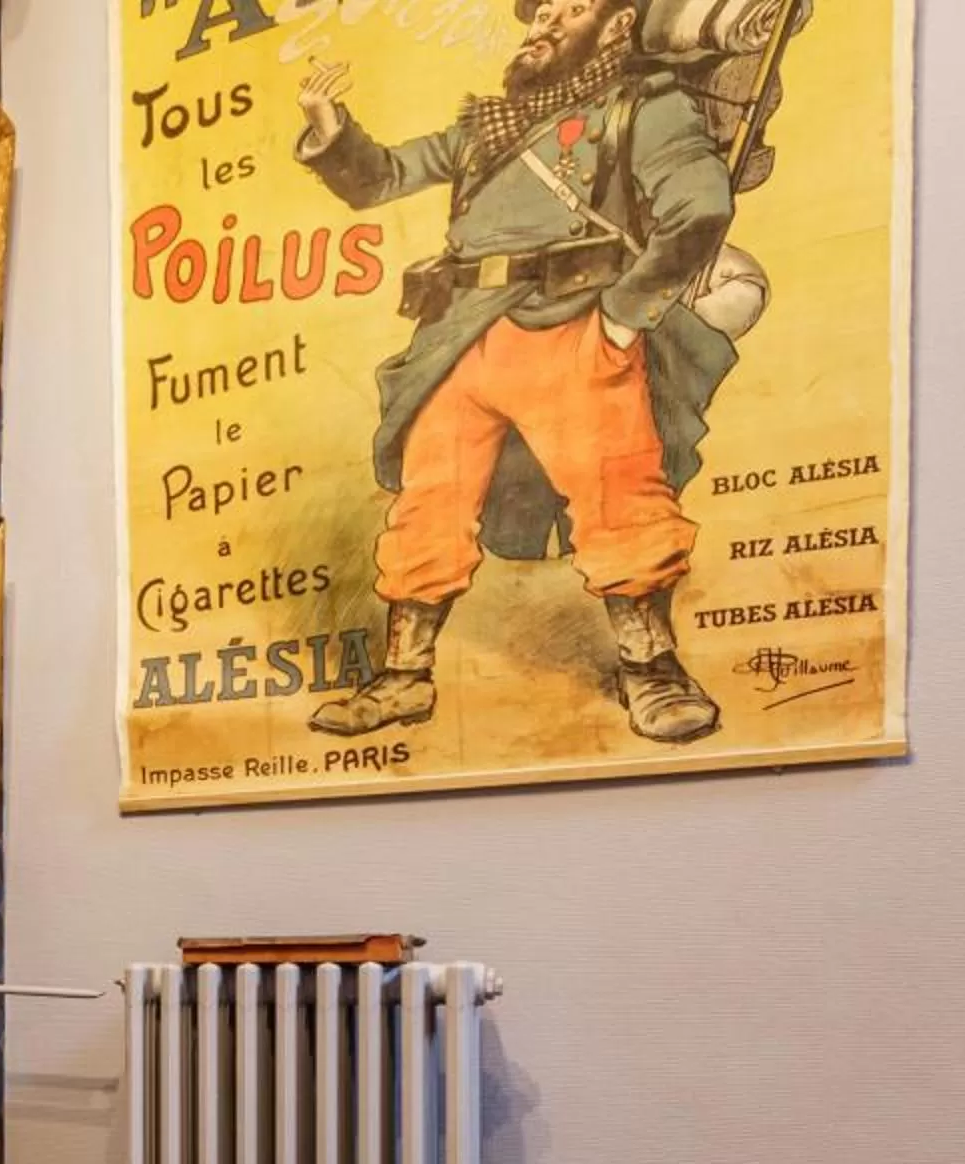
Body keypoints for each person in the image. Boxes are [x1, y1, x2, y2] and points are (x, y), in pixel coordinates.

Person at [295, 0, 738, 744]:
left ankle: (652, 670)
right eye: (538, 12)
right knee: (429, 503)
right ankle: (404, 677)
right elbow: (381, 179)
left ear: (619, 24)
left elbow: (699, 209)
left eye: (570, 8)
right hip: (460, 333)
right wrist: (327, 125)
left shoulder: (644, 107)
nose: (544, 24)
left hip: (574, 323)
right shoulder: (488, 125)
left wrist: (620, 318)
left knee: (618, 495)